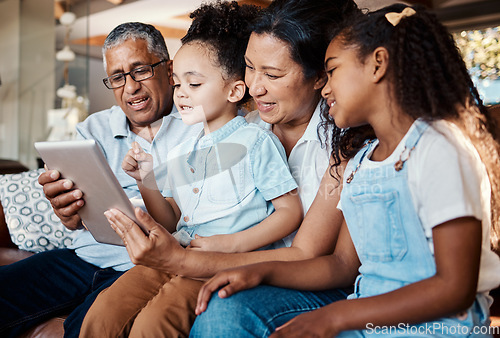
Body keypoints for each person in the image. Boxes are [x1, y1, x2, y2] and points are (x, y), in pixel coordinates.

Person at [194, 4, 500, 337]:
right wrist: (261, 272)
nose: (325, 88)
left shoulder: (439, 147)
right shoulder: (360, 161)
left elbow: (455, 288)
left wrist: (336, 316)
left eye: (333, 70)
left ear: (377, 65)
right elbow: (342, 265)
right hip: (369, 319)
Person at [80, 0, 360, 336]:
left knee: (177, 320)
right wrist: (147, 183)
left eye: (272, 74)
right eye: (249, 67)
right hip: (193, 250)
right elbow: (175, 212)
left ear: (319, 77)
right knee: (101, 313)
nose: (255, 87)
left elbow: (306, 249)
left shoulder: (339, 146)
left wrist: (200, 255)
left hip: (264, 269)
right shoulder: (233, 131)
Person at [0, 22, 201, 338]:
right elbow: (75, 221)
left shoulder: (199, 126)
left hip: (141, 268)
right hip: (83, 257)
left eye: (140, 71)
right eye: (117, 77)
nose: (130, 87)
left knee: (86, 327)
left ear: (168, 68)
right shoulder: (92, 130)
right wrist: (66, 212)